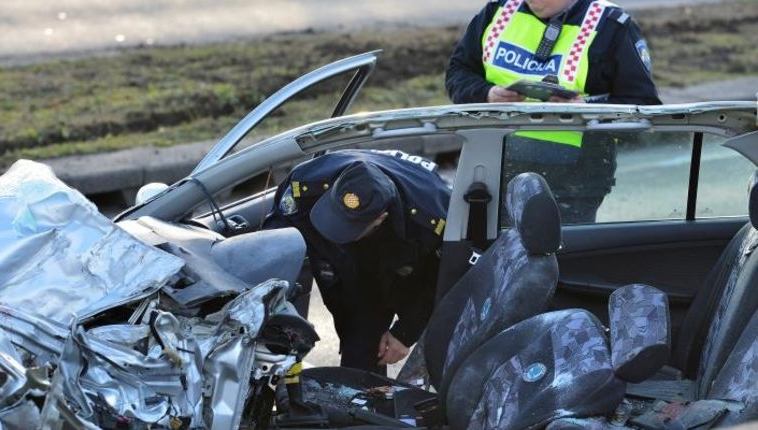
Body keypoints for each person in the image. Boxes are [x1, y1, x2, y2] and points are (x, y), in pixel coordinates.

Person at [446, 0, 662, 223]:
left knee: (560, 256)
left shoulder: (611, 25)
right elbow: (458, 72)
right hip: (490, 169)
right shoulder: (498, 10)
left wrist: (587, 109)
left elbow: (643, 105)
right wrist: (487, 93)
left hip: (573, 182)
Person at [265, 149, 451, 374]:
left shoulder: (433, 217)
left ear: (380, 218)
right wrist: (278, 310)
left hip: (398, 264)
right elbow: (273, 245)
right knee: (353, 338)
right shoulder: (305, 184)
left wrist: (406, 332)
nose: (335, 231)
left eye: (346, 229)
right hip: (340, 265)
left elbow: (445, 278)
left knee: (368, 352)